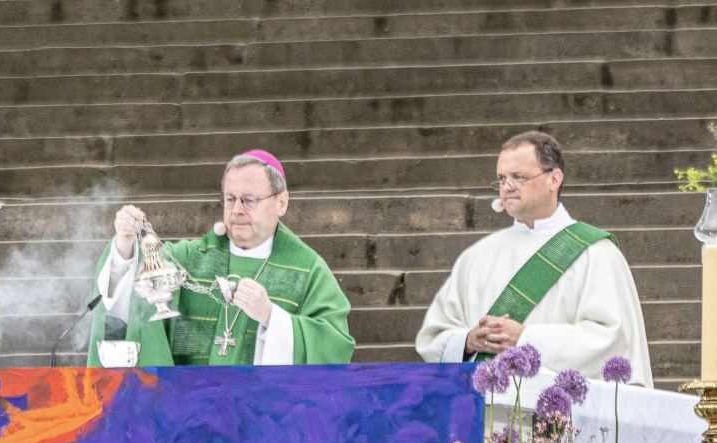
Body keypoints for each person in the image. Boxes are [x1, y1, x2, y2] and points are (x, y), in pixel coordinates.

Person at [415, 131, 653, 387]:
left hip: (564, 414)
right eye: (502, 178)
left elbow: (613, 340)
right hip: (487, 412)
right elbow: (434, 337)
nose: (508, 186)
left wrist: (527, 339)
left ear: (554, 179)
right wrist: (469, 340)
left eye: (519, 177)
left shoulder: (596, 254)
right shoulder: (476, 256)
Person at [86, 150, 355, 367]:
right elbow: (133, 289)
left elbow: (335, 345)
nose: (237, 209)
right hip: (186, 416)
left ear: (281, 203)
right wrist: (125, 246)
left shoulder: (307, 269)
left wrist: (271, 317)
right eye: (230, 198)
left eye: (249, 200)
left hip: (262, 420)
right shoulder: (188, 260)